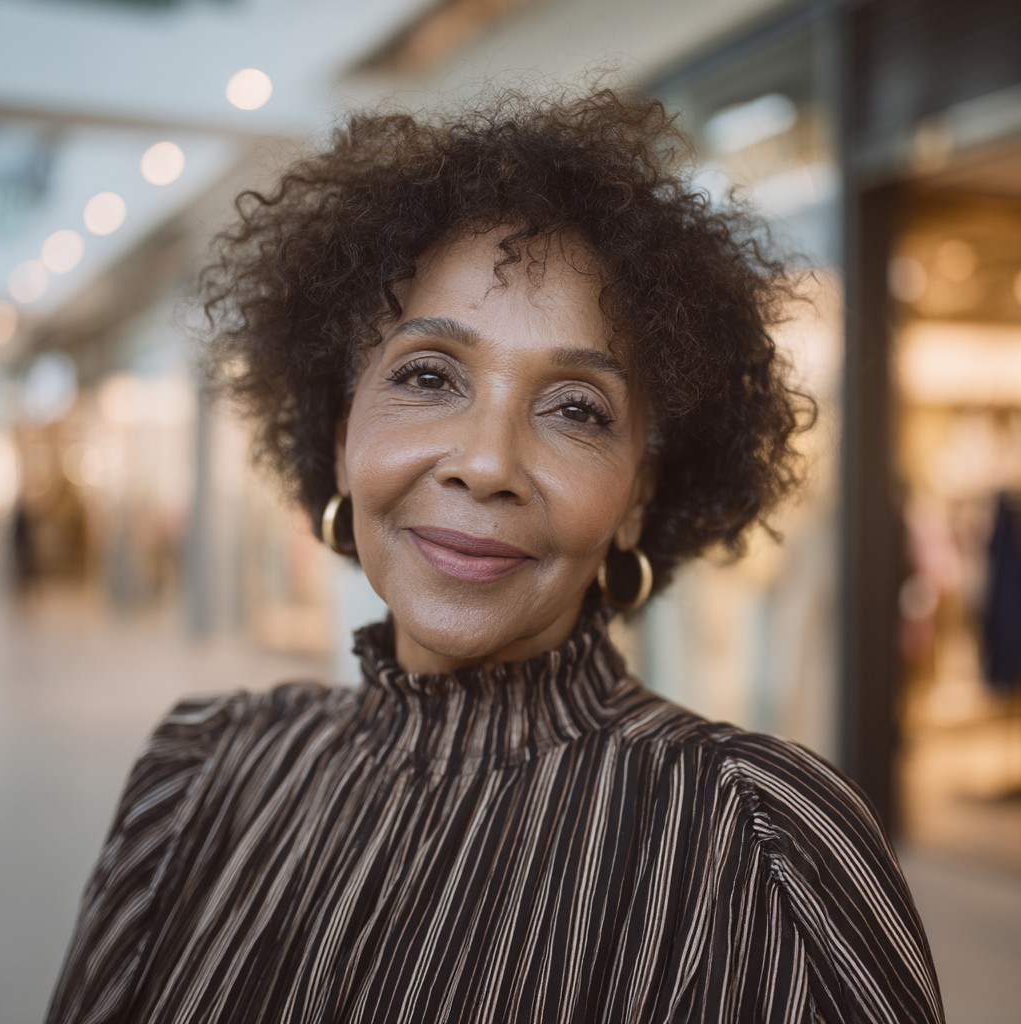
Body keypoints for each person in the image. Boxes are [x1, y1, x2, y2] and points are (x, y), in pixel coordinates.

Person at [46, 88, 944, 1023]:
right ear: (340, 433)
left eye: (576, 409)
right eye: (428, 376)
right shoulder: (197, 776)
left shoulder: (766, 847)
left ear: (638, 497)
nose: (486, 463)